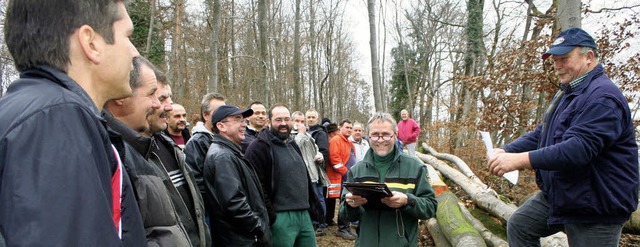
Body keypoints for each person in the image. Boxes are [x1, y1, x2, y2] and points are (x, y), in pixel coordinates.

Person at [0, 0, 146, 245]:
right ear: (91, 43)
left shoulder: (33, 110)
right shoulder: (56, 121)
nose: (135, 52)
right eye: (128, 36)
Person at [488, 28, 639, 246]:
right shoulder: (570, 92)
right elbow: (544, 133)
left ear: (589, 57)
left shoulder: (603, 98)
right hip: (566, 194)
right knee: (520, 226)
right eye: (555, 60)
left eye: (564, 59)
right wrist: (507, 150)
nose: (557, 66)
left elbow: (577, 149)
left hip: (595, 204)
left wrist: (519, 160)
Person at [105, 56, 195, 245]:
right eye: (154, 95)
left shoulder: (159, 147)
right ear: (122, 96)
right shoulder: (114, 155)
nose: (163, 106)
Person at [339, 112, 437, 247]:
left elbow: (430, 207)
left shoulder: (415, 167)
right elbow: (346, 215)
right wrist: (350, 204)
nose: (380, 140)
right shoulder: (357, 170)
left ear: (395, 135)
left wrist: (407, 201)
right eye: (375, 135)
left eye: (385, 134)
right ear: (367, 136)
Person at [145, 68, 210, 246]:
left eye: (170, 98)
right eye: (161, 98)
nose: (169, 106)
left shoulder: (169, 147)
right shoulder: (127, 155)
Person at [245, 103, 322, 247]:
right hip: (280, 218)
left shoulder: (293, 144)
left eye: (287, 119)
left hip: (304, 215)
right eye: (278, 120)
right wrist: (272, 217)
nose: (284, 124)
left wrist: (313, 208)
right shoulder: (258, 148)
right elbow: (256, 187)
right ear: (268, 122)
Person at [203, 105, 271, 246]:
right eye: (238, 119)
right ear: (221, 126)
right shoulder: (222, 156)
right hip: (241, 240)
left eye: (244, 120)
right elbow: (234, 203)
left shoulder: (229, 152)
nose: (244, 124)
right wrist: (258, 228)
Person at [292, 111, 330, 236]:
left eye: (302, 121)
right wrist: (301, 134)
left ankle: (322, 223)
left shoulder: (311, 135)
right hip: (300, 174)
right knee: (309, 200)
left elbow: (318, 149)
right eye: (297, 121)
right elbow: (294, 148)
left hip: (314, 173)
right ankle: (314, 223)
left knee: (318, 199)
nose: (299, 124)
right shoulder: (292, 135)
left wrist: (320, 155)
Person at [184, 93, 226, 202]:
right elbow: (197, 182)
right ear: (205, 115)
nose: (223, 116)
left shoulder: (225, 138)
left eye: (225, 112)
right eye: (218, 112)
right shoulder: (196, 143)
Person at [328, 119, 357, 240]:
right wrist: (346, 172)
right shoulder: (336, 140)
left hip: (348, 177)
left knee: (346, 201)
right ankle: (342, 228)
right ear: (340, 127)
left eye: (351, 127)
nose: (349, 129)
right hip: (340, 177)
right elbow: (334, 159)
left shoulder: (349, 143)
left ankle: (345, 226)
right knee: (344, 201)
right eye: (347, 127)